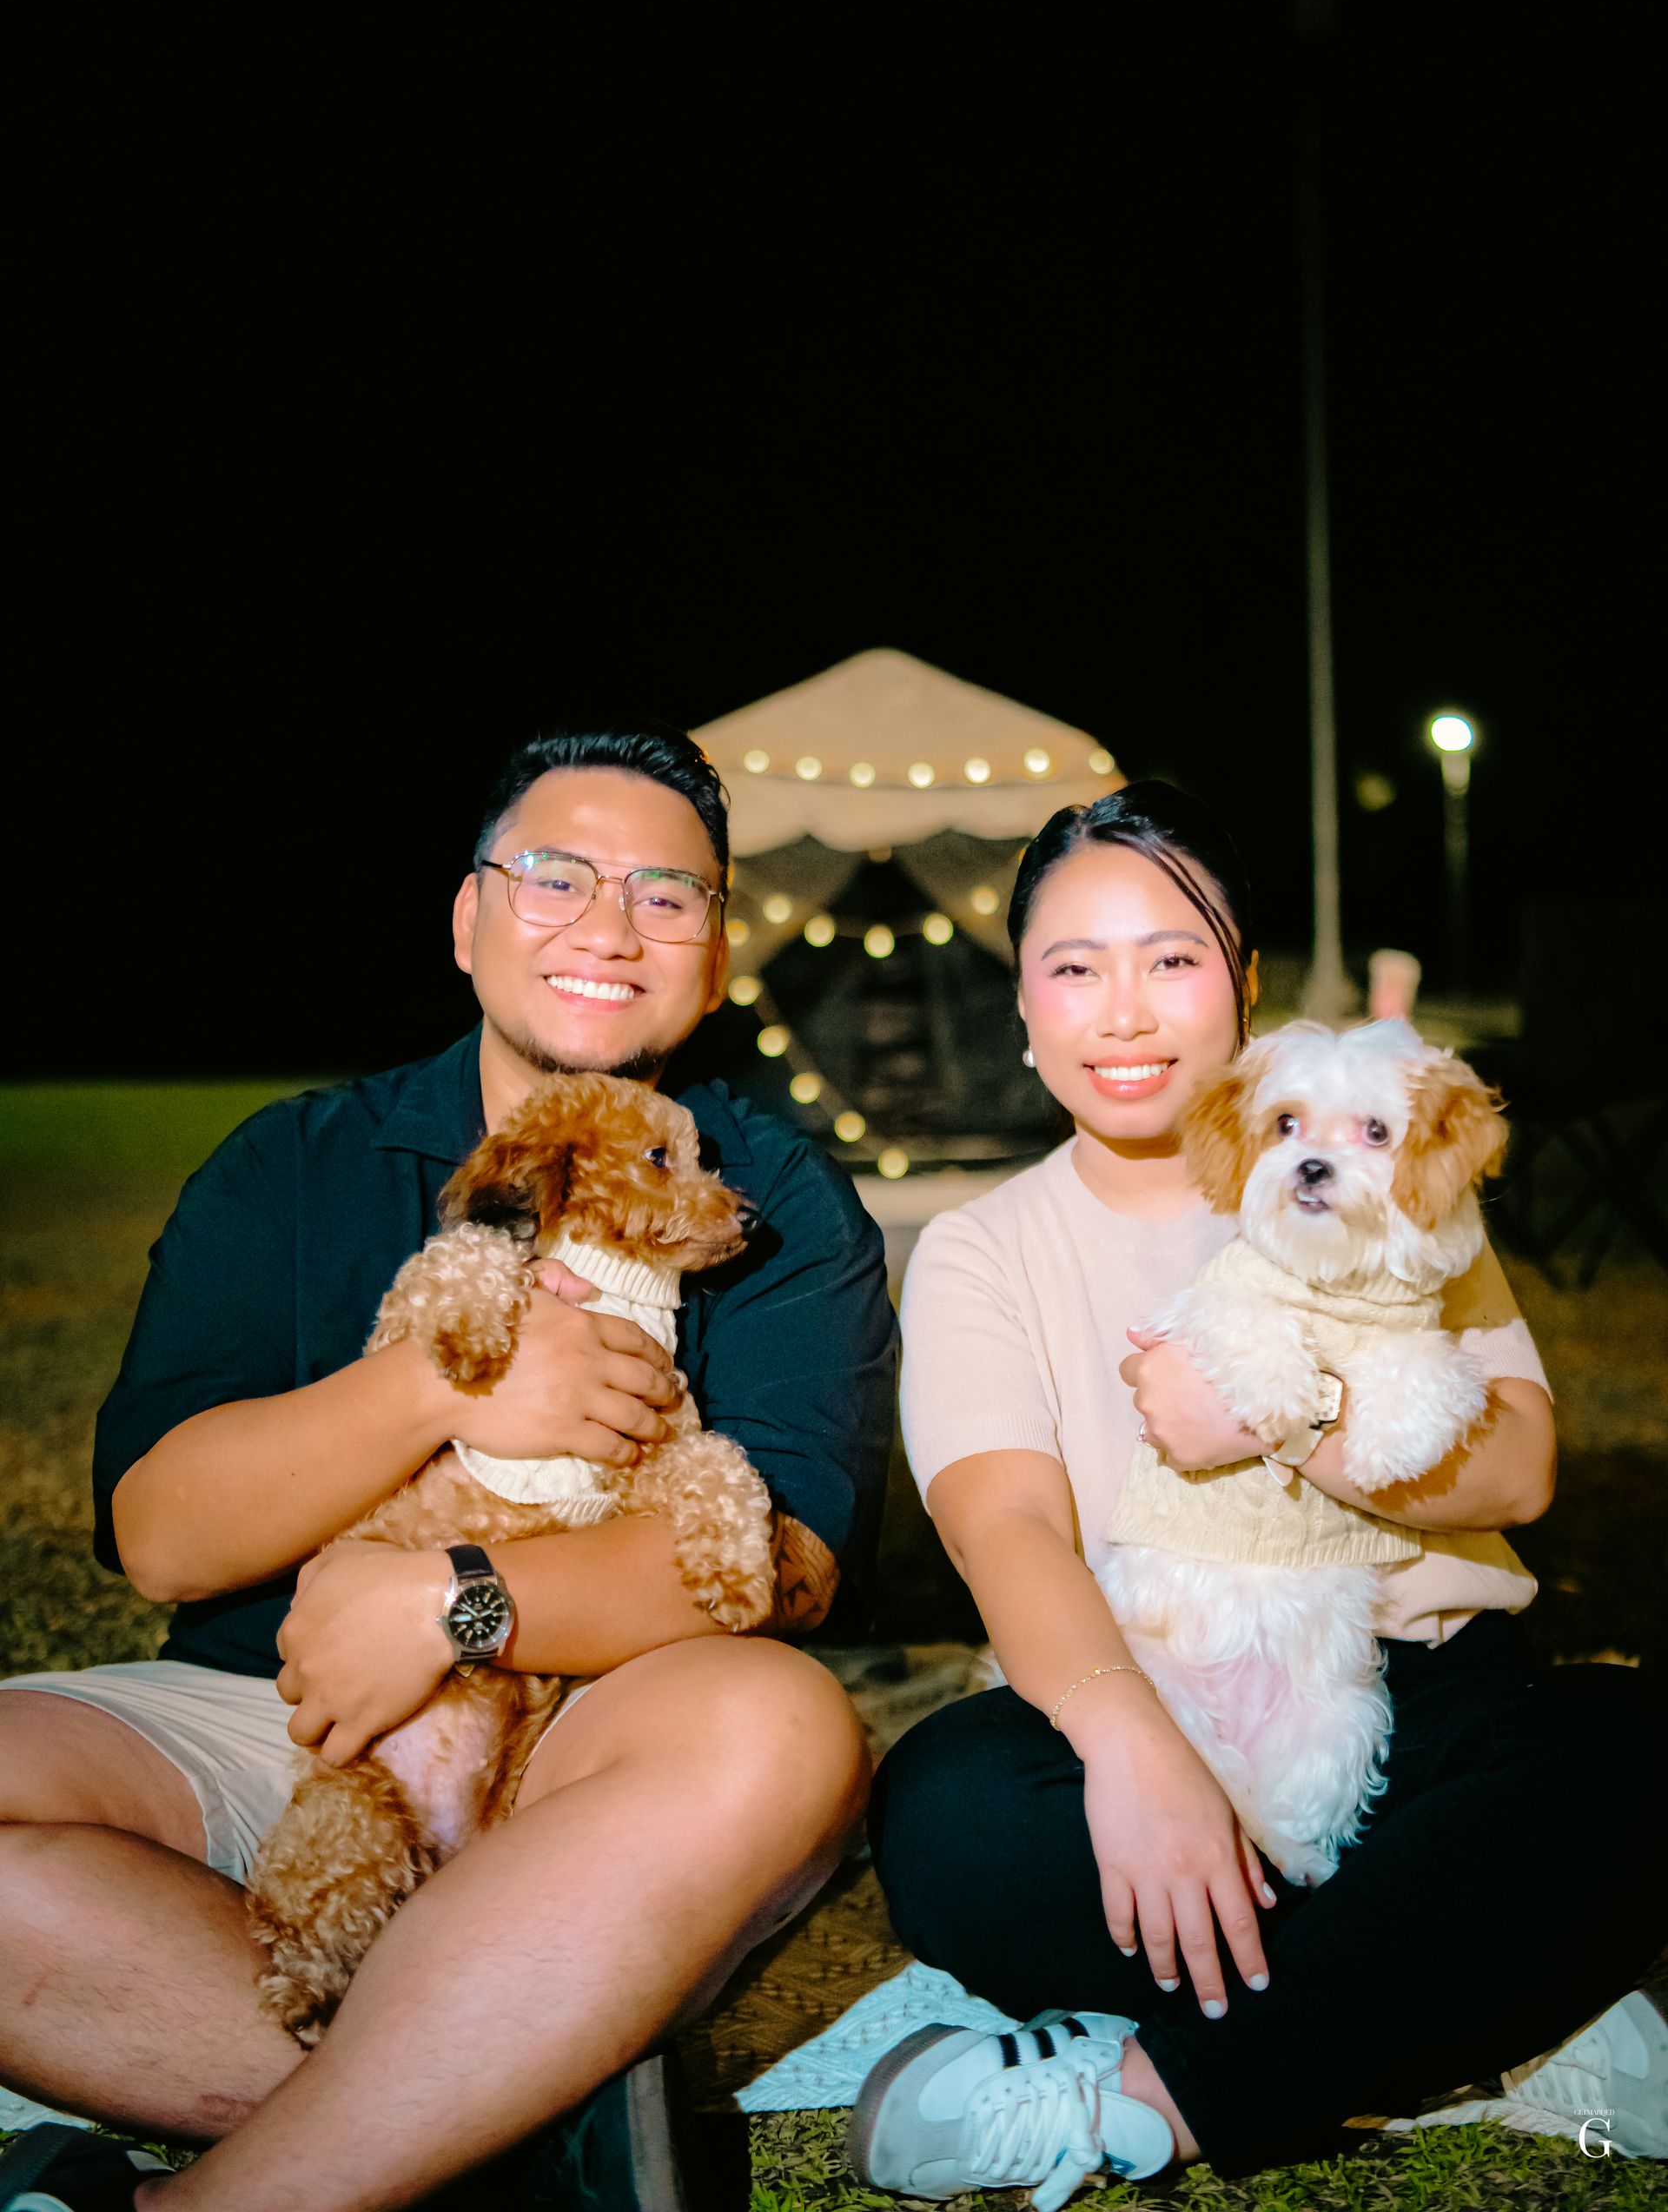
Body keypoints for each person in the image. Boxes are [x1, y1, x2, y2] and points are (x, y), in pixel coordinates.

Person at [0, 726, 895, 2212]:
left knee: (782, 1732)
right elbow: (160, 1534)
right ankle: (506, 2107)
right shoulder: (295, 1162)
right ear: (470, 918)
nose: (609, 927)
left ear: (715, 956)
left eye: (666, 895)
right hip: (282, 1709)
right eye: (556, 877)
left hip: (599, 1738)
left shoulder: (771, 1200)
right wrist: (437, 1383)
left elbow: (786, 1563)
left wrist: (456, 1604)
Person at [853, 784, 1667, 2200]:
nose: (1124, 1014)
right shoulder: (987, 1247)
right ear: (1024, 1009)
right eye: (1074, 969)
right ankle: (1480, 2007)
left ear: (1240, 982)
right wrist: (1138, 1756)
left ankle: (1160, 2095)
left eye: (1170, 959)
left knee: (1632, 1748)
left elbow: (1522, 1467)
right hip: (1168, 1697)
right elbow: (1005, 1530)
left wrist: (1285, 1424)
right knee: (949, 1811)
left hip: (1433, 1699)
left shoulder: (1385, 1169)